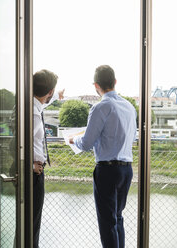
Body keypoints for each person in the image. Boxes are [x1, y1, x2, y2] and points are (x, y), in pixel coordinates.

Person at [69, 65, 137, 248]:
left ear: (96, 85)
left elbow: (86, 143)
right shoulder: (129, 107)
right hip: (126, 169)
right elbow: (134, 137)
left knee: (107, 223)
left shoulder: (101, 107)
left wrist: (72, 140)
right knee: (118, 218)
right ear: (115, 82)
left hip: (107, 170)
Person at [33, 69, 64, 248]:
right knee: (32, 223)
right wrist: (30, 165)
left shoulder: (33, 105)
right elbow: (17, 143)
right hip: (33, 172)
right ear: (49, 91)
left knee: (30, 221)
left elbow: (42, 103)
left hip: (34, 170)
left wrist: (55, 96)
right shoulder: (32, 113)